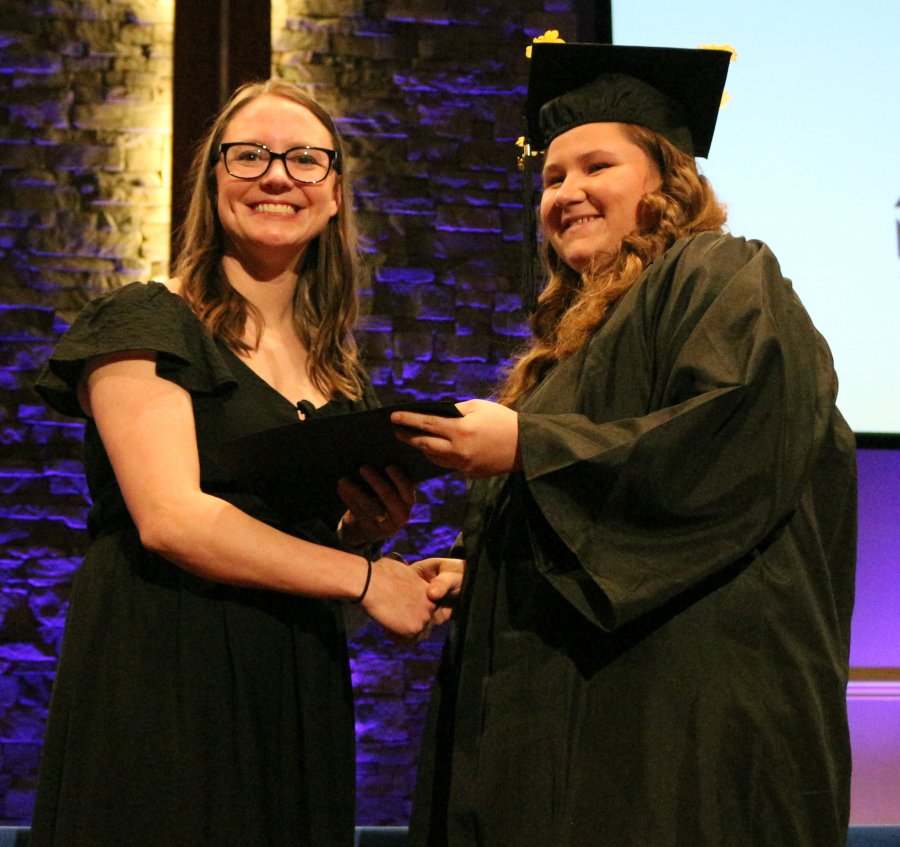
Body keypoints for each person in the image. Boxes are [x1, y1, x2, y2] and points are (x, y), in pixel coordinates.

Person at [395, 42, 857, 847]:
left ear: (666, 181)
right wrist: (495, 572)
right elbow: (600, 507)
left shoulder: (720, 273)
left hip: (688, 730)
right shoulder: (569, 348)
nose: (566, 192)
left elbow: (724, 445)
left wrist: (526, 447)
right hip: (587, 726)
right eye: (552, 178)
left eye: (594, 167)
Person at [31, 79, 437, 847]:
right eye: (249, 155)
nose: (277, 175)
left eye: (304, 159)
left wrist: (359, 537)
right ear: (213, 179)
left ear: (335, 195)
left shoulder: (343, 378)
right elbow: (171, 517)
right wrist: (362, 577)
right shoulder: (145, 319)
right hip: (162, 667)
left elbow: (311, 556)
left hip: (289, 678)